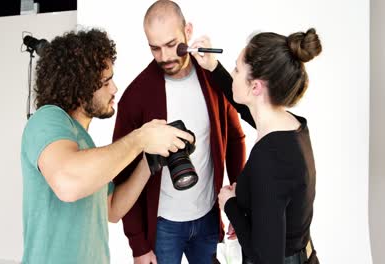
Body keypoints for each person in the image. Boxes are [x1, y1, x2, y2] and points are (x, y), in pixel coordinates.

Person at [20, 28, 194, 264]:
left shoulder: (86, 143)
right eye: (105, 82)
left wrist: (148, 160)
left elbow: (111, 210)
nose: (114, 89)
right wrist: (139, 138)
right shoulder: (47, 119)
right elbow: (67, 183)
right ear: (78, 88)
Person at [112, 1, 246, 263]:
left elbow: (235, 137)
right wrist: (138, 245)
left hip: (208, 217)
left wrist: (239, 204)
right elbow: (122, 173)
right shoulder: (135, 97)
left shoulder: (211, 79)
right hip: (163, 226)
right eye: (155, 48)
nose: (165, 57)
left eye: (172, 44)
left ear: (188, 30)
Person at [191, 29, 321, 263]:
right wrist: (213, 67)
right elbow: (245, 107)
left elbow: (265, 257)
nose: (233, 73)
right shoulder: (291, 126)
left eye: (237, 69)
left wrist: (229, 204)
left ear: (256, 87)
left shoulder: (269, 158)